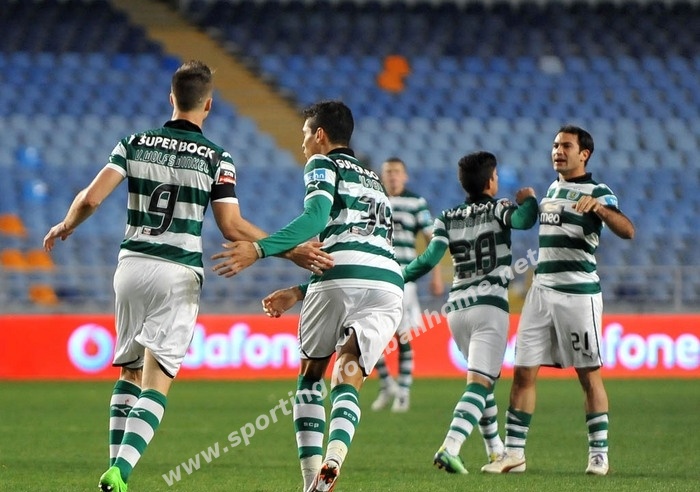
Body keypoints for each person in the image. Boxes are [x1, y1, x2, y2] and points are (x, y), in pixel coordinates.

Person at [43, 60, 328, 492]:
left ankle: (114, 467)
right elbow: (232, 227)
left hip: (131, 267)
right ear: (208, 105)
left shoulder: (133, 143)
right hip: (177, 273)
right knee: (156, 382)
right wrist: (289, 251)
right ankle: (121, 472)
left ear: (171, 98)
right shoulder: (217, 157)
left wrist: (66, 224)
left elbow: (91, 199)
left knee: (128, 373)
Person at [211, 100, 403, 492]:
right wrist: (298, 292)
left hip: (338, 274)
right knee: (350, 369)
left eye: (305, 135)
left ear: (320, 134)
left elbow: (316, 218)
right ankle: (335, 457)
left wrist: (259, 249)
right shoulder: (374, 180)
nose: (302, 144)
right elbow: (364, 246)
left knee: (311, 375)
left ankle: (310, 480)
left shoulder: (322, 163)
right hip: (387, 283)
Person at [482, 125, 635, 476]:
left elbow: (628, 230)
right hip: (540, 293)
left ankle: (599, 455)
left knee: (589, 376)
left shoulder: (598, 191)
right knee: (523, 372)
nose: (558, 151)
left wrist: (600, 210)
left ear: (585, 154)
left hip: (578, 295)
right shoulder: (552, 189)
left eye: (566, 145)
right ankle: (514, 455)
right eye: (555, 145)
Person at [399, 151, 537, 473]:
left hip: (457, 310)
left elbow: (429, 259)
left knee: (480, 381)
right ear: (490, 181)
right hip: (489, 307)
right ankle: (451, 447)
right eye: (496, 176)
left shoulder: (447, 217)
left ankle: (496, 450)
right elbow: (524, 220)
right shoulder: (500, 207)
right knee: (480, 384)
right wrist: (529, 200)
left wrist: (400, 275)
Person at [370, 157, 444, 413]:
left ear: (405, 176)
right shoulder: (374, 199)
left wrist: (436, 275)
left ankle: (403, 392)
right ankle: (386, 383)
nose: (392, 176)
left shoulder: (416, 202)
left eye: (397, 171)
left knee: (402, 336)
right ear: (382, 175)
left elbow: (431, 240)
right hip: (376, 275)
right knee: (369, 335)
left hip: (404, 277)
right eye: (388, 171)